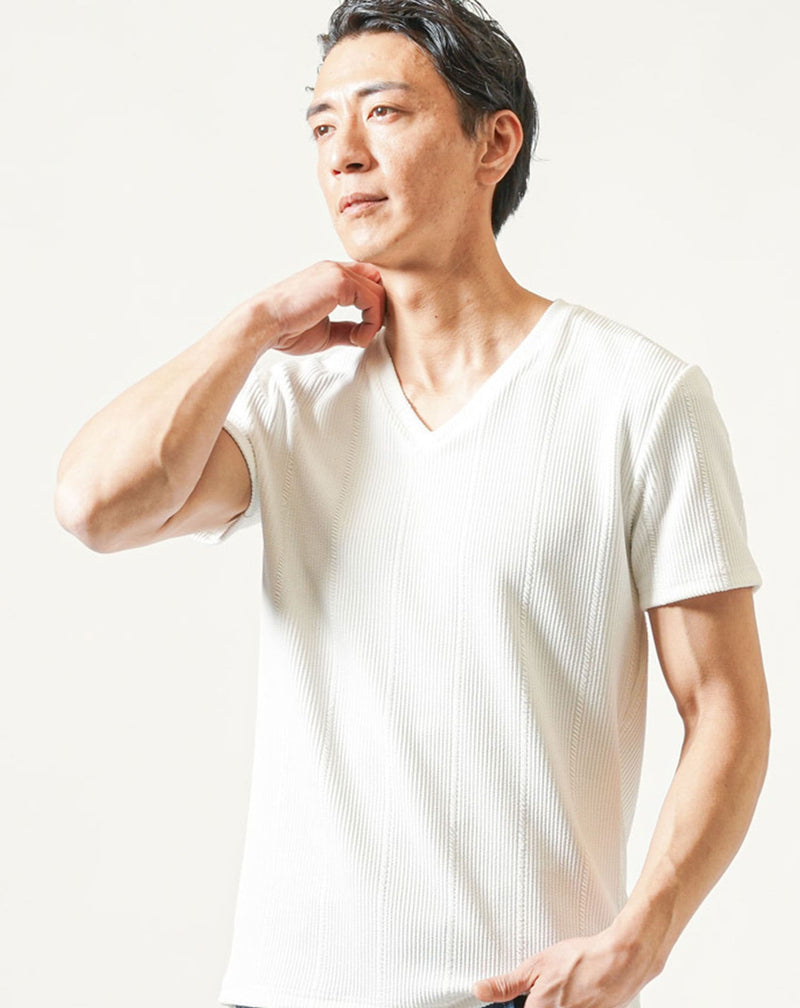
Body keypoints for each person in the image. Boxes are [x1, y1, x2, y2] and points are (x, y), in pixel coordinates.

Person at [54, 1, 770, 1007]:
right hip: (285, 991)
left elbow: (725, 708)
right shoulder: (290, 401)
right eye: (320, 124)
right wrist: (254, 324)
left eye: (383, 112)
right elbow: (93, 504)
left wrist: (639, 940)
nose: (343, 152)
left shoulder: (637, 398)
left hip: (523, 991)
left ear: (493, 143)